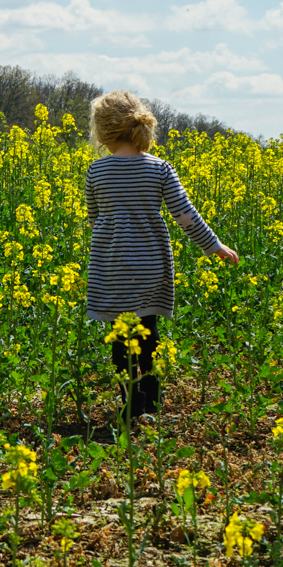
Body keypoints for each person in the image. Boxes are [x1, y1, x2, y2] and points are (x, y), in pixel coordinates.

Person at [84, 90, 238, 421]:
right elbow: (185, 215)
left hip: (110, 267)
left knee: (119, 338)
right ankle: (151, 403)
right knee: (148, 331)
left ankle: (131, 405)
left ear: (103, 132)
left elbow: (94, 218)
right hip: (151, 265)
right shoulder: (160, 169)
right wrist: (214, 246)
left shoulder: (96, 172)